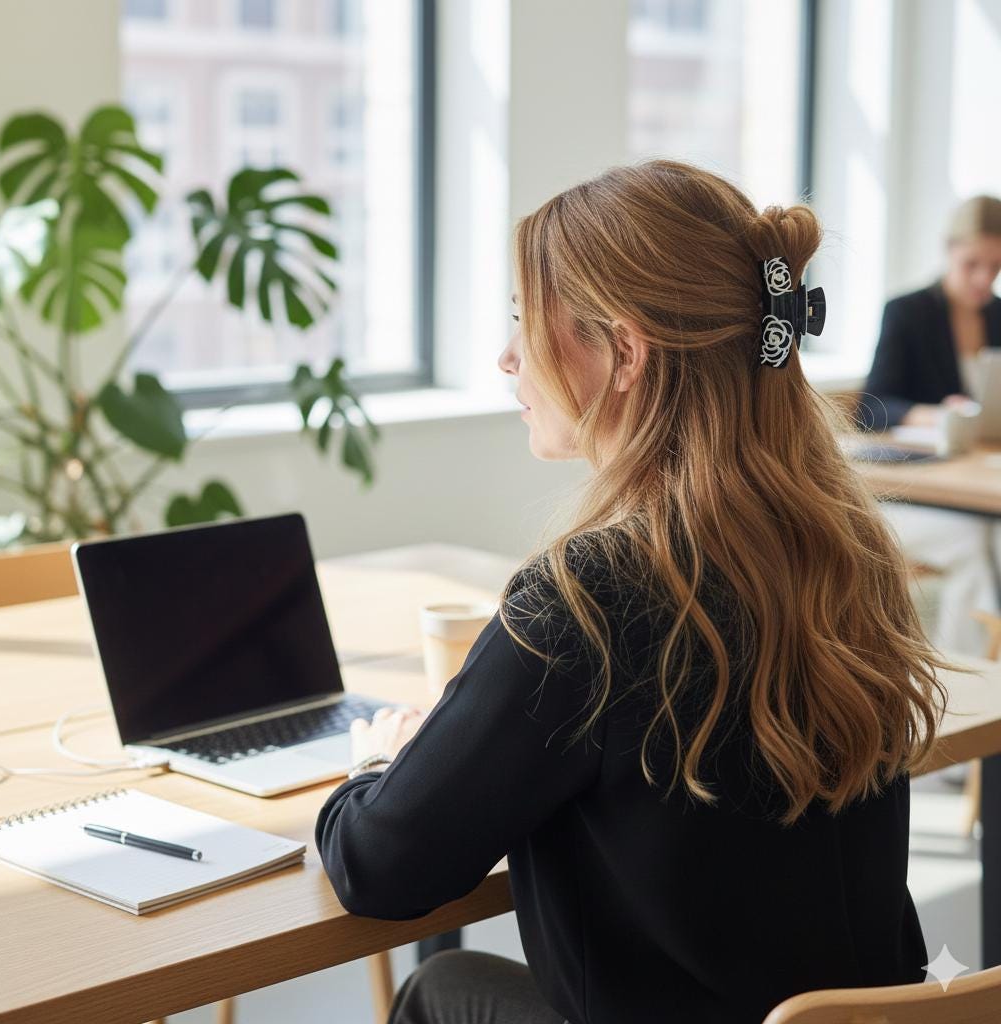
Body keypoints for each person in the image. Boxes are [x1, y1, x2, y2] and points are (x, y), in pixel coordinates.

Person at [315, 159, 958, 1024]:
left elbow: (380, 869)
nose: (508, 357)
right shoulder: (849, 549)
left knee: (440, 990)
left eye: (524, 322)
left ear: (624, 352)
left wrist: (382, 761)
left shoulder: (586, 601)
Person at [855, 195, 1001, 655]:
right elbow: (871, 408)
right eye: (971, 264)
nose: (984, 278)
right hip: (909, 490)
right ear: (948, 251)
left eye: (995, 266)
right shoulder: (908, 312)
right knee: (978, 546)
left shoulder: (998, 316)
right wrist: (938, 413)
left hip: (973, 477)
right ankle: (968, 689)